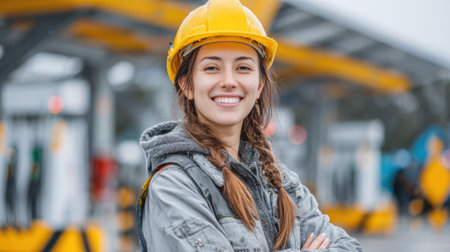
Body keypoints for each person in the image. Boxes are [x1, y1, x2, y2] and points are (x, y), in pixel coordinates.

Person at [136, 0, 363, 251]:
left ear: (260, 85)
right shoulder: (173, 185)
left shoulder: (277, 178)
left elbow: (348, 246)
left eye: (243, 67)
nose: (229, 81)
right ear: (187, 85)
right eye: (212, 68)